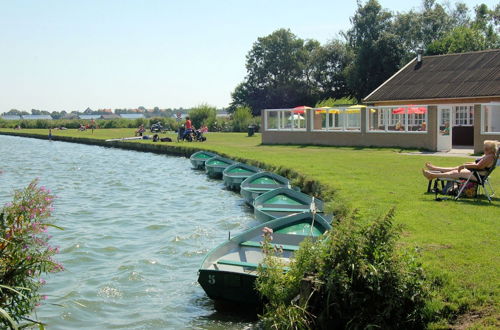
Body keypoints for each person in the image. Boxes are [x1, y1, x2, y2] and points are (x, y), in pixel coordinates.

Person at [422, 140, 498, 180]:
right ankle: (434, 169)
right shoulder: (489, 155)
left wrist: (465, 165)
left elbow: (478, 166)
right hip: (476, 173)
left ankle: (432, 175)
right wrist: (466, 164)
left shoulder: (489, 157)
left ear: (490, 149)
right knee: (455, 169)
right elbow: (478, 164)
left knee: (454, 172)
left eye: (485, 148)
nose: (484, 149)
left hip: (477, 175)